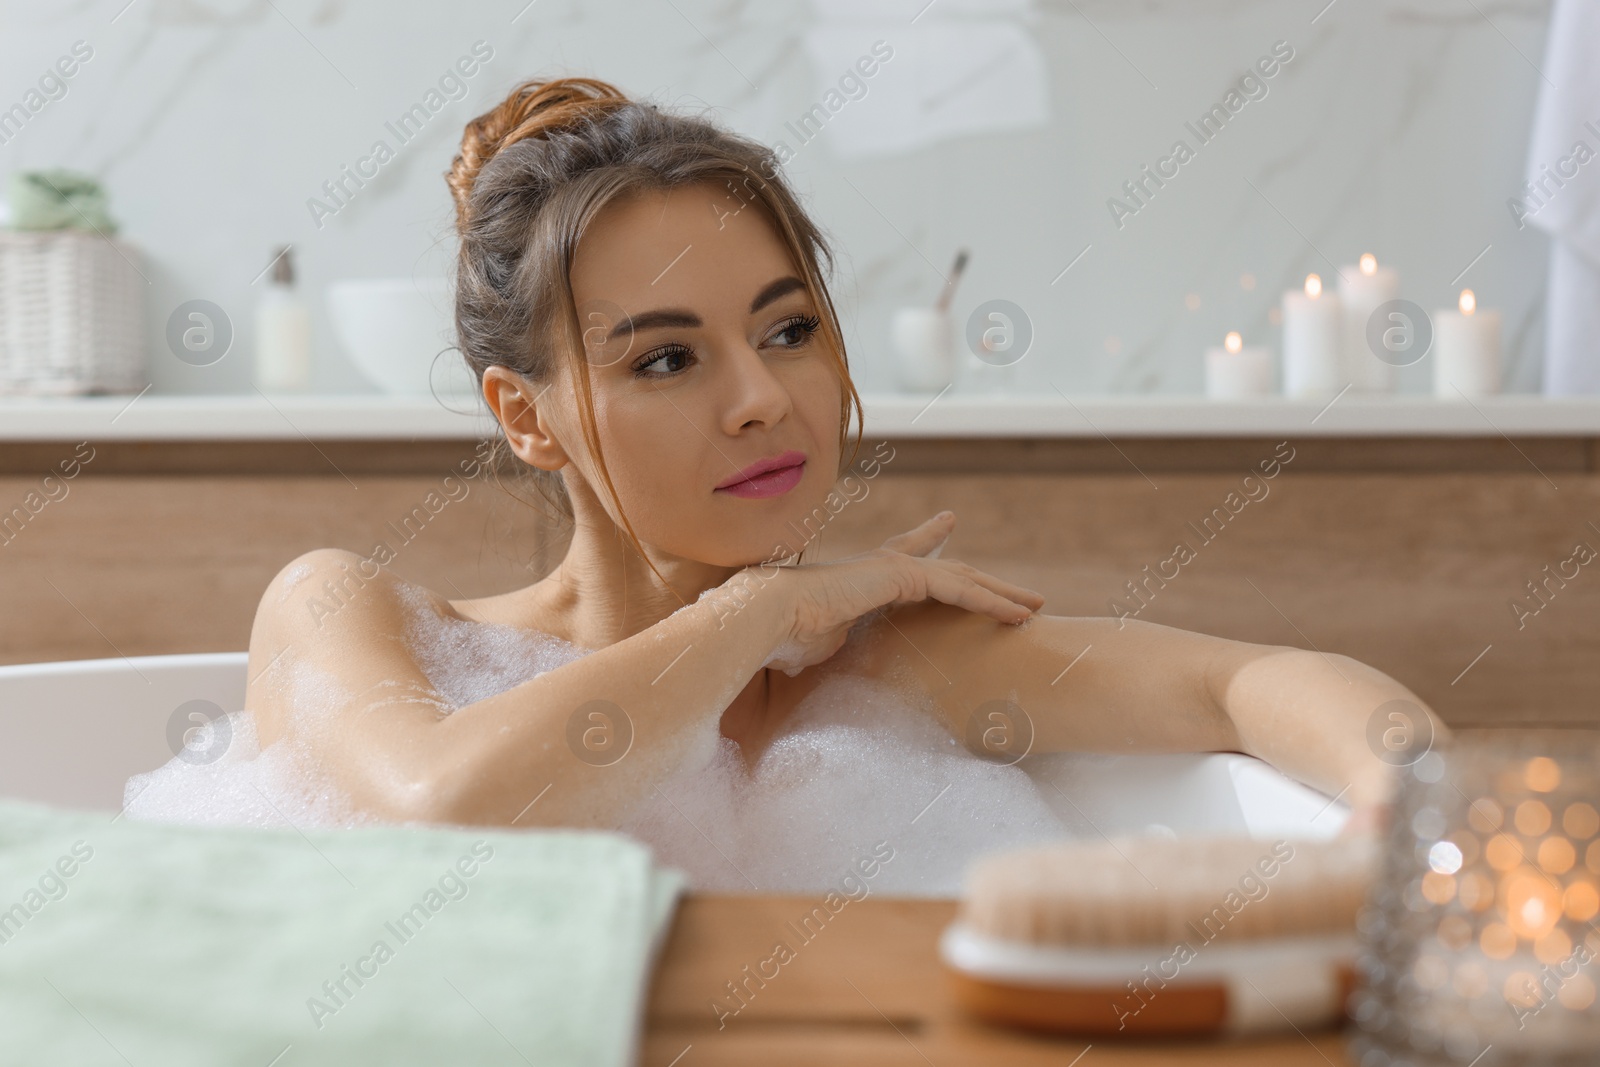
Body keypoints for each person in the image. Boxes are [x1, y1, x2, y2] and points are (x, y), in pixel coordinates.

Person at [245, 76, 1443, 836]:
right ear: (525, 415)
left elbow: (1250, 684)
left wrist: (1416, 824)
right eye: (667, 359)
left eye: (788, 329)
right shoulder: (351, 614)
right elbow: (445, 803)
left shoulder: (873, 682)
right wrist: (761, 612)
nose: (765, 398)